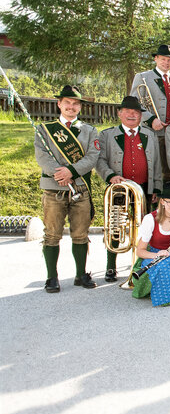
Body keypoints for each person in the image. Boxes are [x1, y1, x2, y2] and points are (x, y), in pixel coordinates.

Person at [35, 85, 100, 292]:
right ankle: (51, 277)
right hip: (54, 188)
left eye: (75, 104)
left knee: (81, 233)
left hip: (79, 187)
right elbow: (42, 157)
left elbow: (91, 157)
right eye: (67, 103)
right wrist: (60, 174)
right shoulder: (44, 130)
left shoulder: (89, 131)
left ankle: (81, 274)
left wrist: (71, 171)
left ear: (80, 106)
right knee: (52, 234)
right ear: (59, 104)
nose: (71, 107)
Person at [96, 95, 162, 282]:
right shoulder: (107, 135)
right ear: (120, 113)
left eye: (136, 112)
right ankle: (111, 266)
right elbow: (100, 160)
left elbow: (156, 163)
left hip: (144, 188)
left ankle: (143, 264)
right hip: (119, 187)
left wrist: (156, 187)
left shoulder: (149, 134)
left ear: (141, 116)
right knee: (115, 226)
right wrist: (110, 176)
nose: (132, 115)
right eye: (128, 112)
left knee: (146, 226)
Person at [130, 44, 170, 181]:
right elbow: (134, 104)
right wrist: (151, 119)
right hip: (152, 132)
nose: (166, 63)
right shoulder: (142, 77)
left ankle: (168, 200)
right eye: (163, 59)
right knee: (152, 171)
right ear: (156, 58)